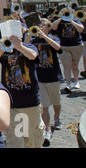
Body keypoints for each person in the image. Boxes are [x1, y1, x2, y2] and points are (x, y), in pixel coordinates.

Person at [0, 30, 44, 148]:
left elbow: (32, 56)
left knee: (31, 140)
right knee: (16, 141)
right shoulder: (4, 50)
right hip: (12, 105)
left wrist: (19, 46)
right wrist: (0, 50)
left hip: (30, 103)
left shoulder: (29, 46)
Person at [31, 18, 62, 146]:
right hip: (40, 77)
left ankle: (57, 117)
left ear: (49, 27)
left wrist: (44, 36)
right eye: (39, 24)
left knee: (56, 102)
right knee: (44, 106)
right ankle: (48, 131)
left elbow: (58, 48)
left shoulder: (54, 38)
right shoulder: (33, 41)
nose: (40, 26)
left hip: (53, 76)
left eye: (43, 25)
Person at [51, 12, 84, 92]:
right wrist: (60, 18)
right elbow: (53, 27)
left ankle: (76, 81)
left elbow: (81, 29)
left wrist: (71, 20)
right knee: (66, 65)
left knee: (75, 64)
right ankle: (68, 84)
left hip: (76, 45)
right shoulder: (59, 21)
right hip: (63, 46)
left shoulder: (75, 19)